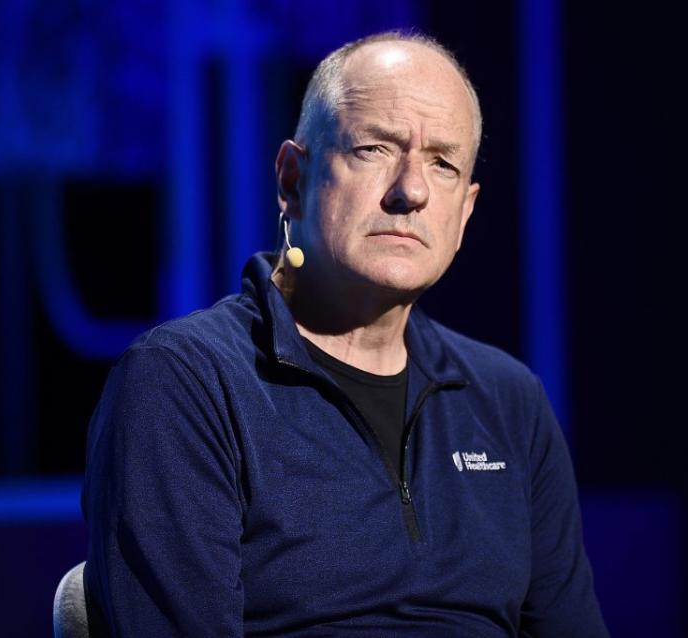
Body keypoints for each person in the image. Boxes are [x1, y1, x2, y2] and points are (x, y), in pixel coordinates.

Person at [82, 30, 609, 637]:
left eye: (442, 163)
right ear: (292, 180)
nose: (410, 191)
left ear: (463, 214)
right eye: (374, 149)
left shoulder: (508, 400)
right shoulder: (185, 384)